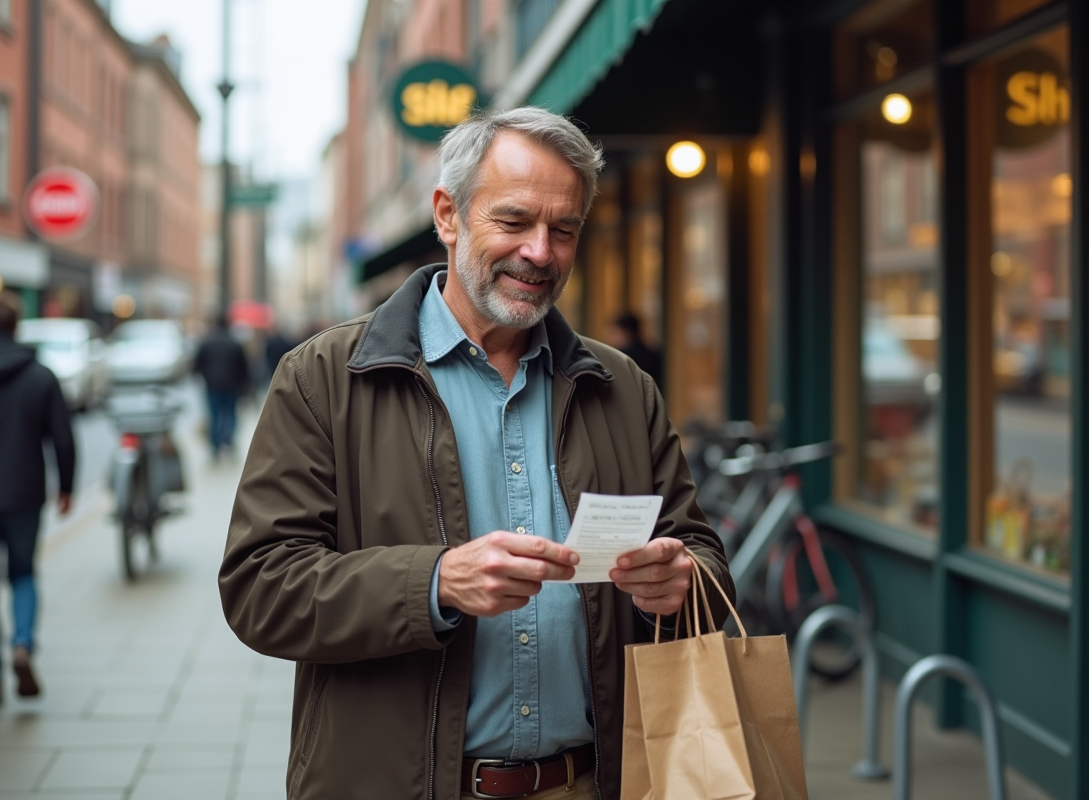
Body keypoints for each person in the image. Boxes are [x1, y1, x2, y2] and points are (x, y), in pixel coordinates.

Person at [219, 107, 734, 800]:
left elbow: (700, 553)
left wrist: (679, 582)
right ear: (448, 215)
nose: (541, 253)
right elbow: (260, 587)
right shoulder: (325, 378)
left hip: (592, 781)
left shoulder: (623, 387)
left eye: (564, 230)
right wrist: (434, 583)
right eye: (515, 222)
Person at [0, 293, 75, 705]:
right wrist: (67, 487)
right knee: (22, 574)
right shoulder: (40, 375)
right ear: (16, 328)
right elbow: (62, 436)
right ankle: (22, 643)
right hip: (24, 493)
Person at [193, 316, 250, 459]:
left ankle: (215, 445)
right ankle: (228, 441)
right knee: (230, 414)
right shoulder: (235, 343)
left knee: (214, 415)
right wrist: (246, 384)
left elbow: (196, 366)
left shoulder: (206, 342)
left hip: (212, 385)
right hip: (232, 385)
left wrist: (205, 376)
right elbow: (243, 367)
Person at [607, 311, 664, 390]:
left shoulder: (620, 357)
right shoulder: (653, 354)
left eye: (614, 331)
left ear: (624, 331)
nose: (610, 336)